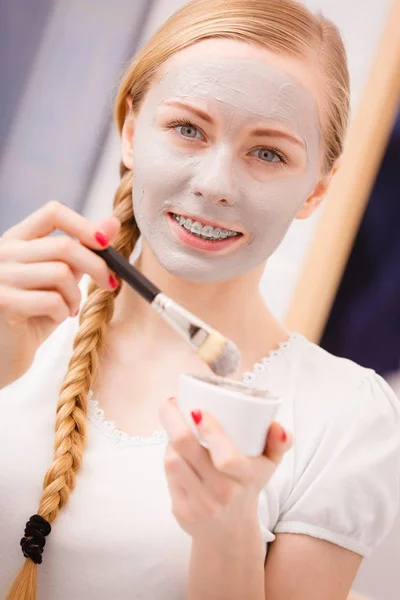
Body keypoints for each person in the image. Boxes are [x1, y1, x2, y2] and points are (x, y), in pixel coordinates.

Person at [0, 0, 399, 598]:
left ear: (316, 189)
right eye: (188, 129)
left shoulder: (344, 417)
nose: (214, 185)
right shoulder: (18, 314)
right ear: (133, 132)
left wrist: (227, 536)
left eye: (268, 153)